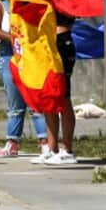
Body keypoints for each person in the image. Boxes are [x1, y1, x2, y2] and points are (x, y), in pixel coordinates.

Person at [0, 0, 48, 158]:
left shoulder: (34, 1)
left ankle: (45, 142)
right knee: (15, 102)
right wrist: (13, 38)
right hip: (9, 53)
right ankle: (12, 143)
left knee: (35, 101)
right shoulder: (3, 5)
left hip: (32, 52)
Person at [43, 9, 78, 164]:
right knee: (48, 96)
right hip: (46, 41)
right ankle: (52, 148)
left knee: (64, 96)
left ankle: (67, 149)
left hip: (62, 40)